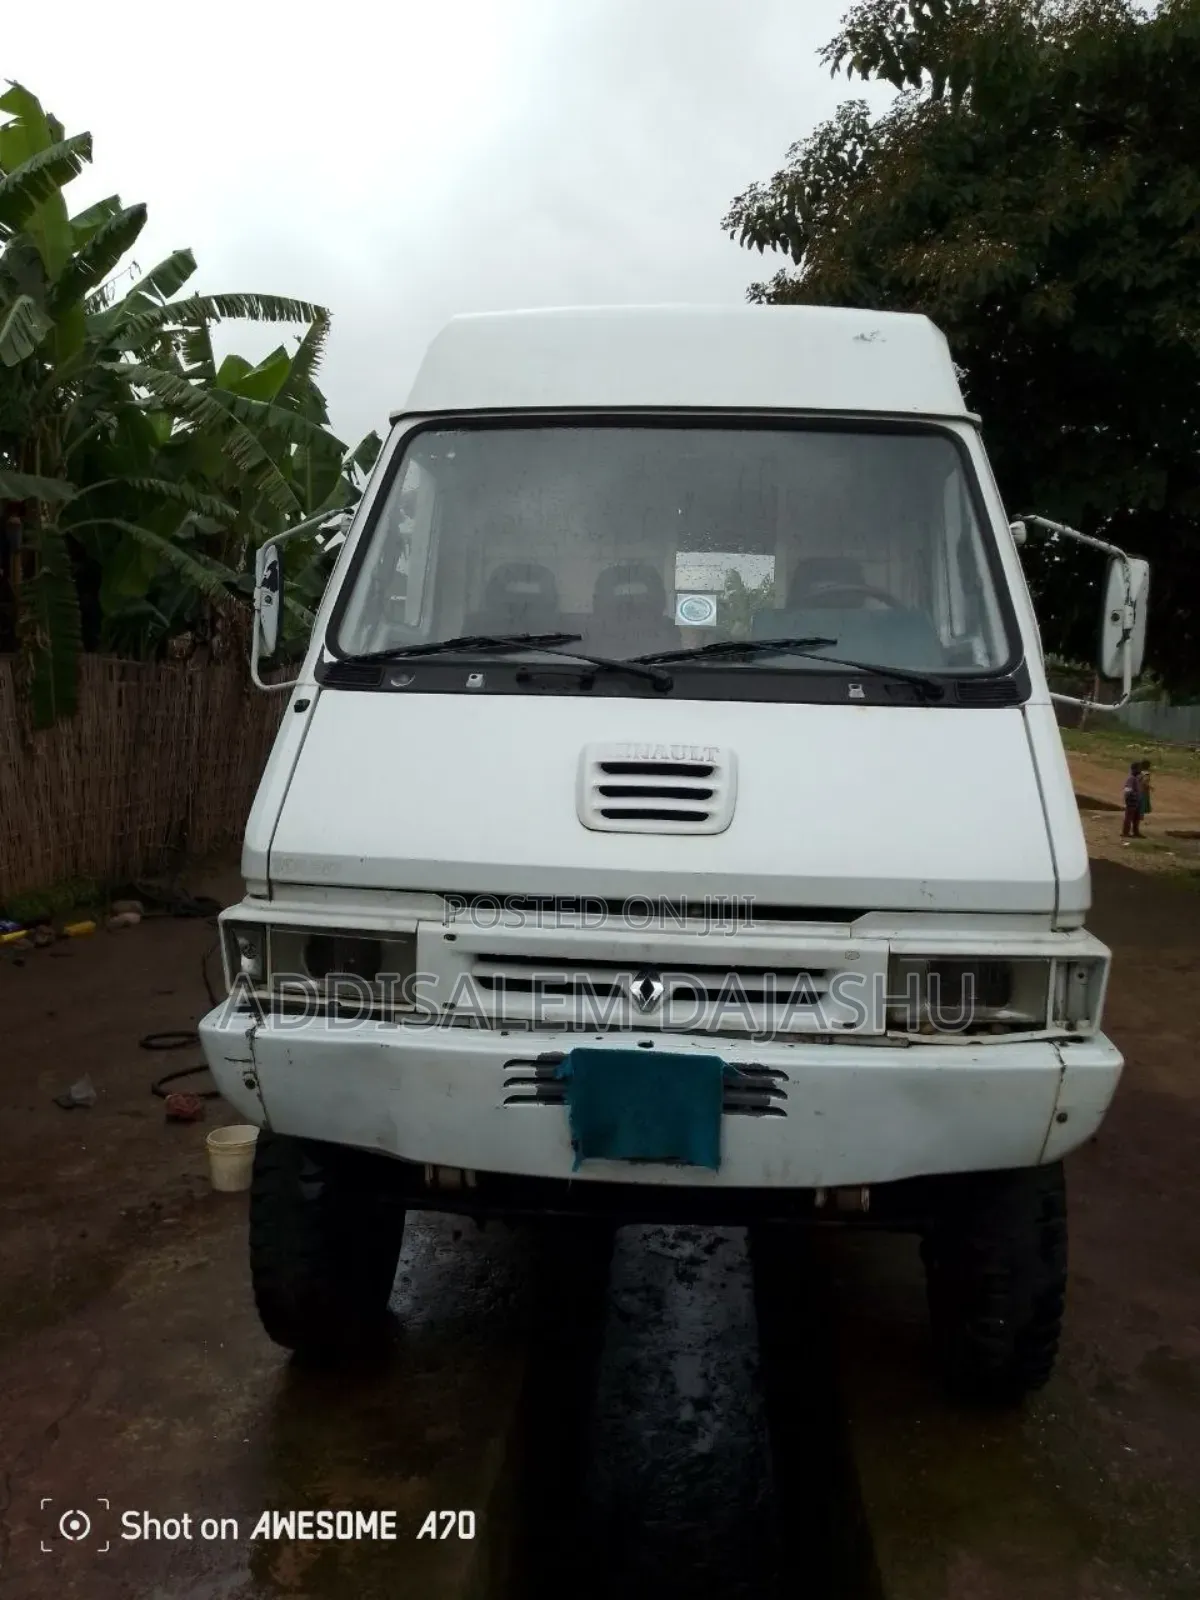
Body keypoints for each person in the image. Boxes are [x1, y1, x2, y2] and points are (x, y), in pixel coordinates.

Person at [1121, 762, 1142, 840]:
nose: (1140, 770)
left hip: (1136, 801)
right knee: (1129, 817)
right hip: (1132, 801)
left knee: (1136, 818)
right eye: (1139, 768)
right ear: (1134, 769)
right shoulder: (1131, 778)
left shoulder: (1136, 778)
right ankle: (1125, 832)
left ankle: (1135, 832)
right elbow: (1127, 790)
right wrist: (1130, 798)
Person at [1138, 760, 1153, 827]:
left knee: (1139, 803)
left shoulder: (1140, 772)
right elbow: (1145, 782)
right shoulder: (1147, 773)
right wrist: (1150, 787)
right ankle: (1140, 816)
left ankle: (1137, 816)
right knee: (1143, 803)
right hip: (1143, 790)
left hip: (1138, 789)